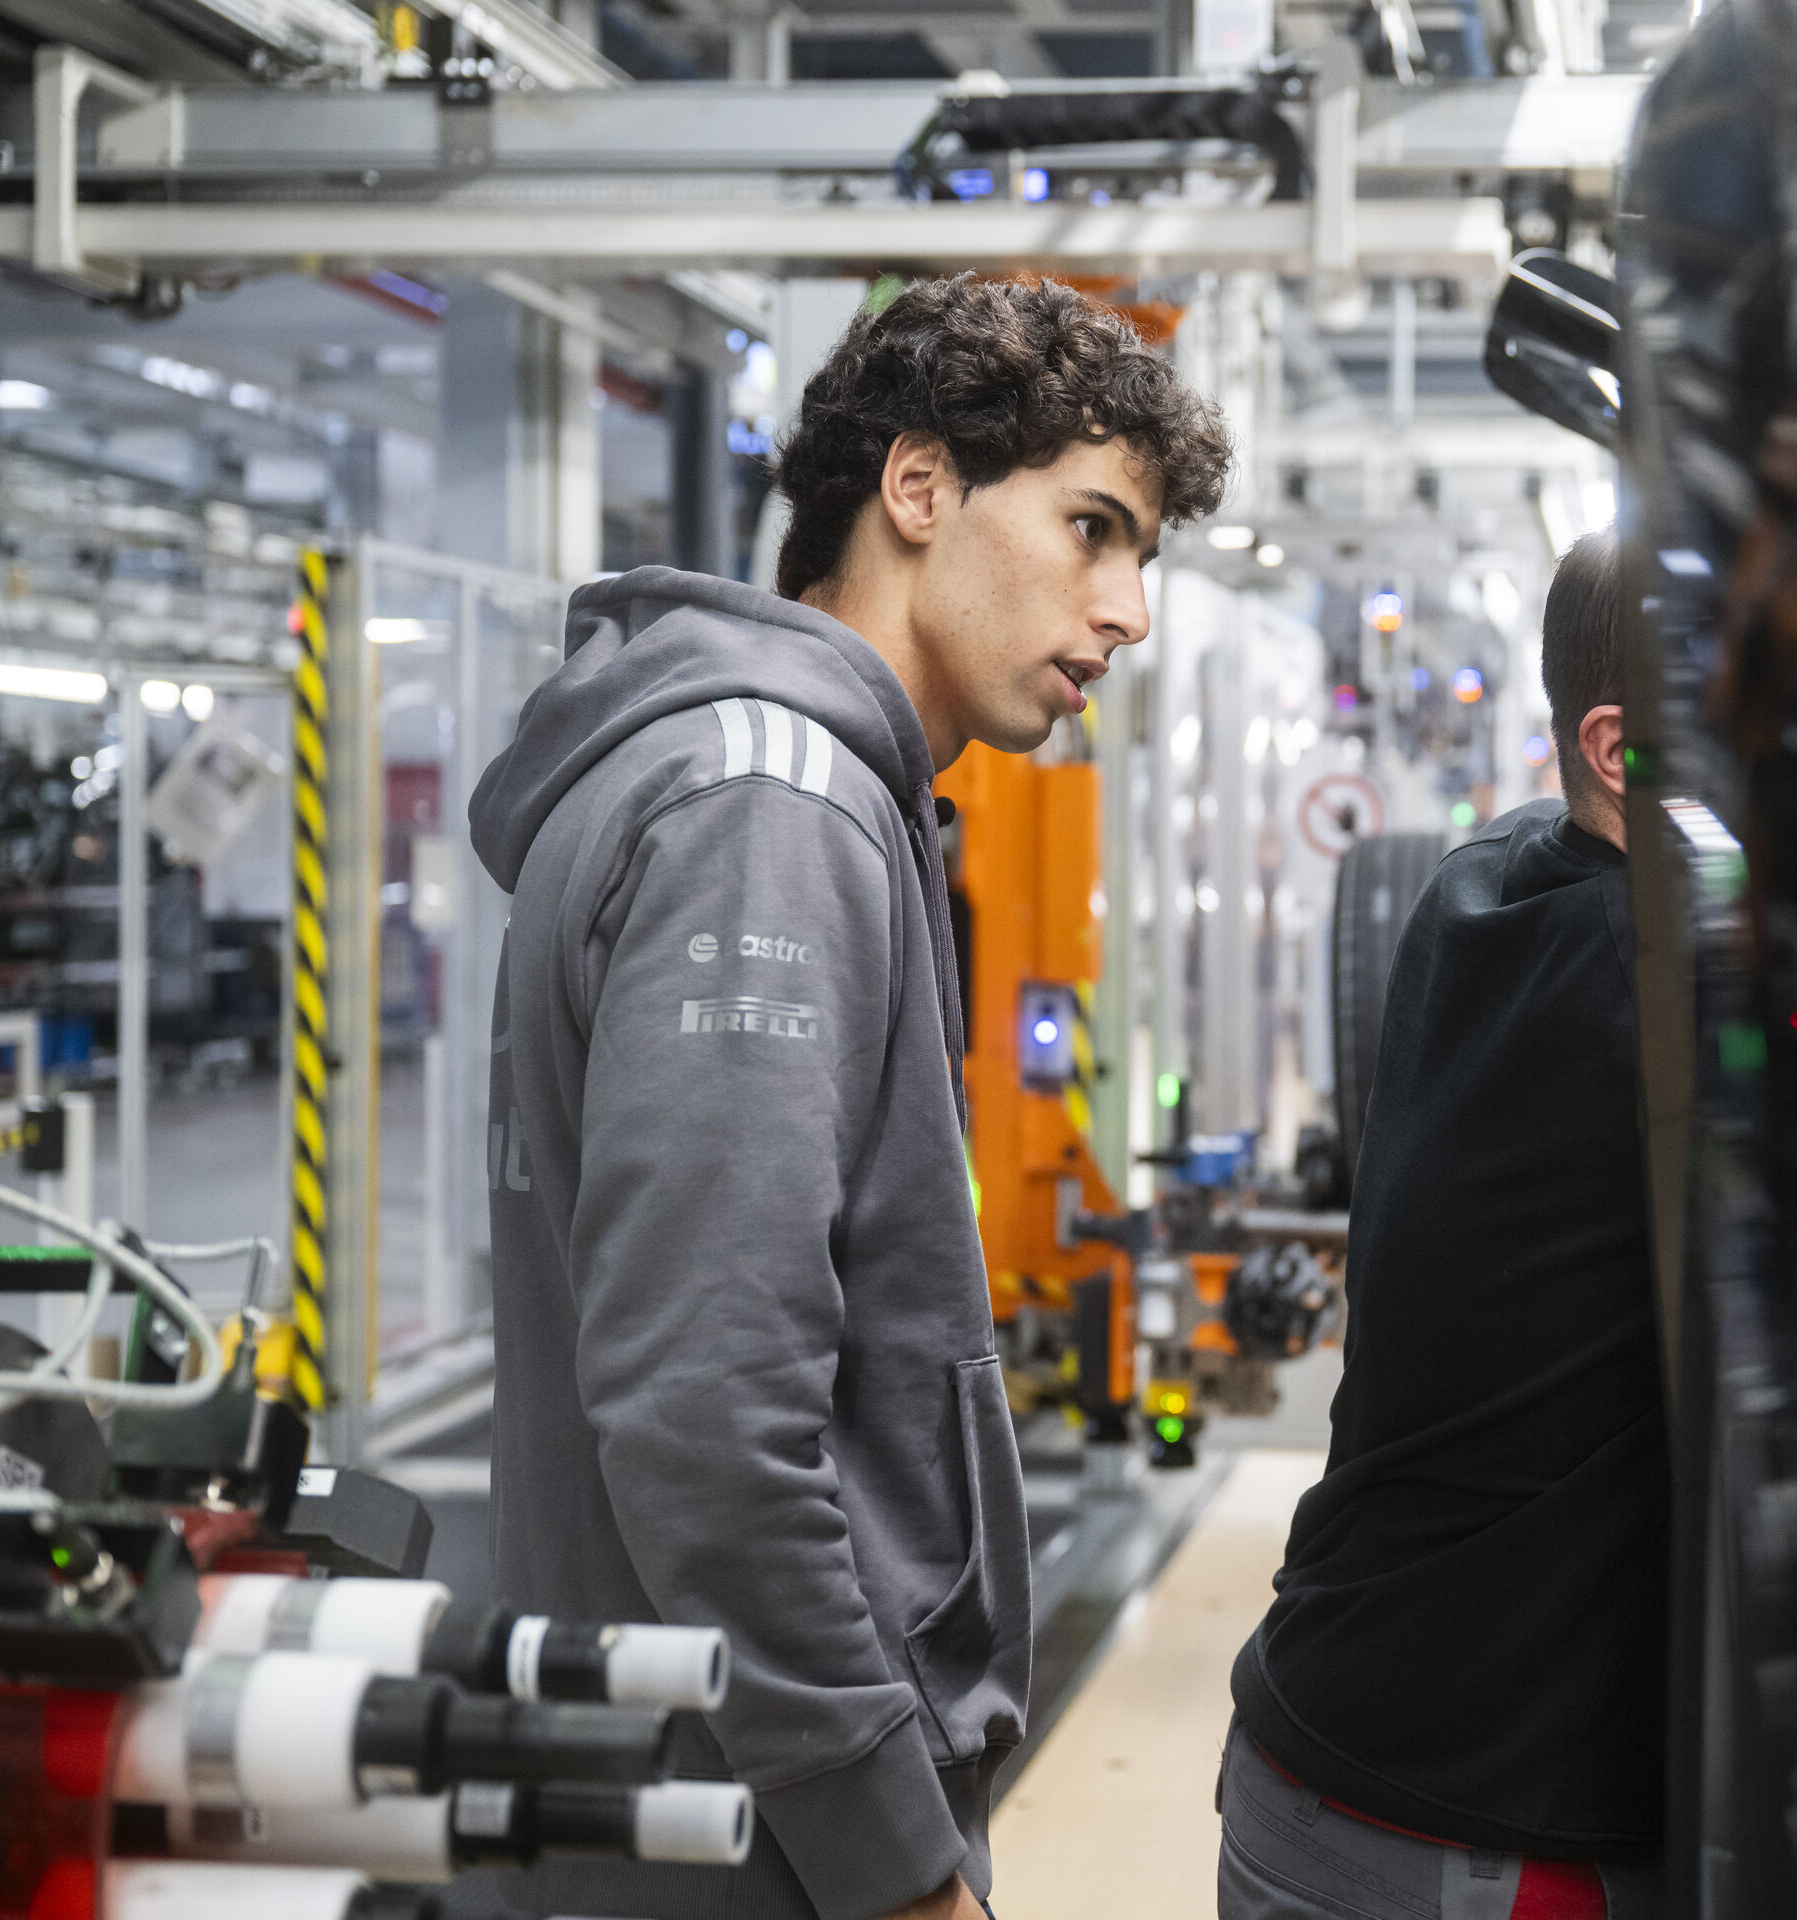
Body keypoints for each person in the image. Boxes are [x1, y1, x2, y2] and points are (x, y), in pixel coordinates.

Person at [469, 275, 1231, 1920]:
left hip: (673, 1788)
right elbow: (710, 1416)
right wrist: (900, 1865)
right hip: (746, 1837)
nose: (1127, 611)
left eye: (1143, 557)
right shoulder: (773, 805)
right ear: (916, 487)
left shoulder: (738, 780)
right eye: (1092, 529)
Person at [1221, 530, 1665, 1920]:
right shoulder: (1647, 988)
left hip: (1320, 1753)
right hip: (1461, 1843)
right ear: (1617, 748)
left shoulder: (1483, 885)